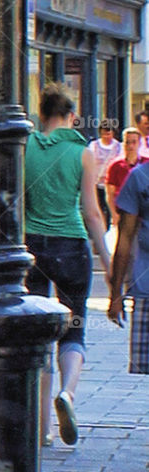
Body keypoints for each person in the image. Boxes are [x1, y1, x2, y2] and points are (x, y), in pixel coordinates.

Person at [24, 83, 112, 448]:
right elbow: (92, 213)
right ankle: (68, 395)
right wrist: (109, 264)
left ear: (42, 114)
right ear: (71, 115)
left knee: (39, 334)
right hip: (71, 247)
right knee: (73, 327)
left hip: (31, 248)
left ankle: (42, 427)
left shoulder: (25, 146)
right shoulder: (82, 152)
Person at [108, 160, 149, 376]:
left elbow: (125, 239)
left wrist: (116, 295)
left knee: (144, 379)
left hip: (145, 289)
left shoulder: (139, 176)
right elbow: (124, 240)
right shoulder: (138, 177)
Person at [88, 119, 121, 229]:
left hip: (112, 184)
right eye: (104, 134)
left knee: (111, 206)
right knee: (99, 207)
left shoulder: (119, 147)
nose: (106, 136)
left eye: (109, 133)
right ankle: (102, 229)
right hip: (96, 183)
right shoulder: (93, 146)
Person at [106, 127, 143, 226]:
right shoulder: (115, 166)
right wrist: (114, 214)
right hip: (123, 213)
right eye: (127, 142)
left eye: (134, 142)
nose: (130, 146)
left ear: (139, 144)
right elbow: (110, 194)